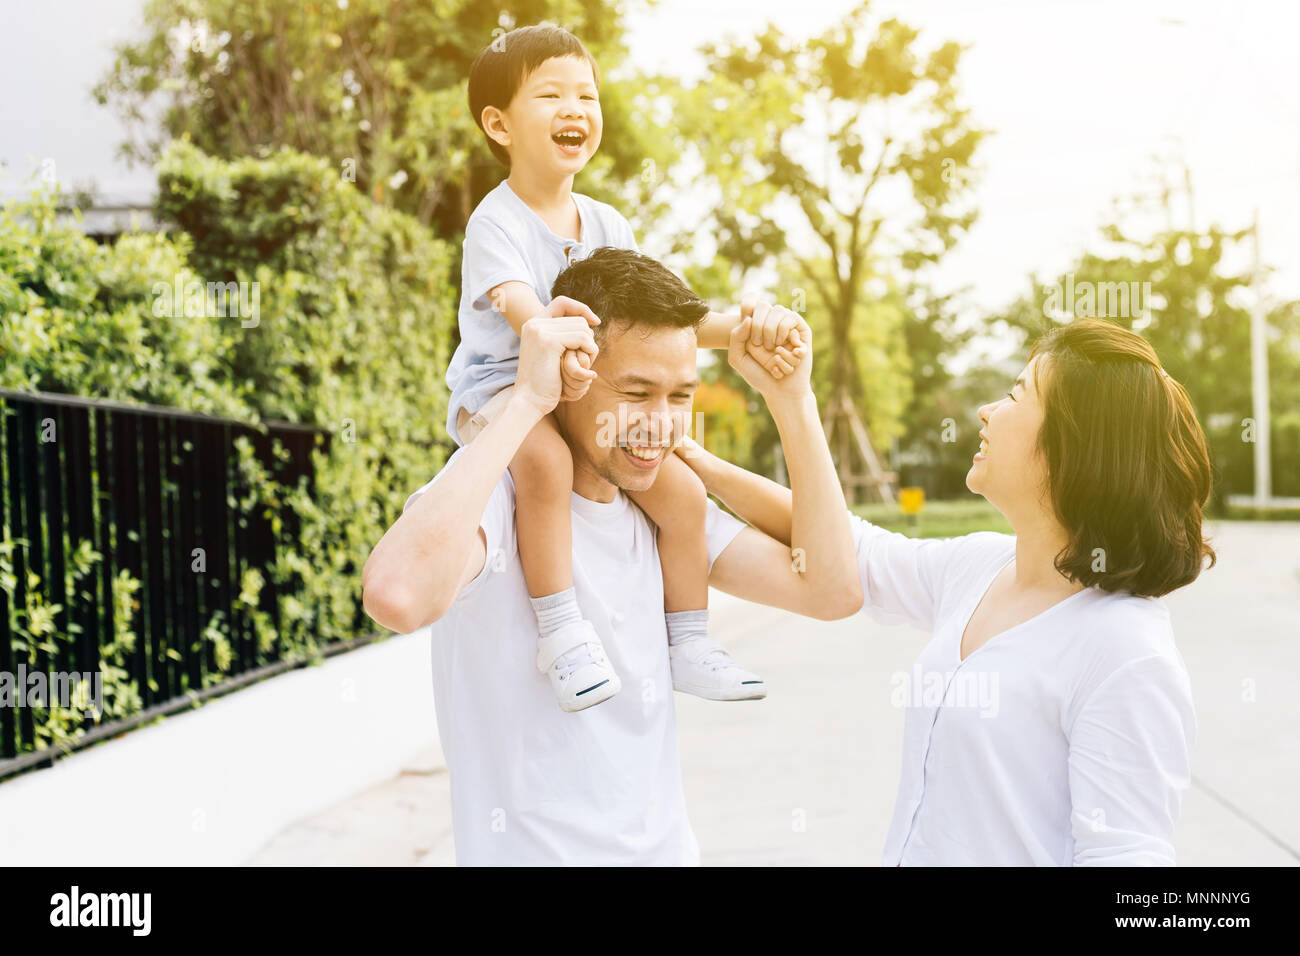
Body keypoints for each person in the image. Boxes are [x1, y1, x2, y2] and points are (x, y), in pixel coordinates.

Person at [361, 247, 861, 865]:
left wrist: (792, 402)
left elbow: (832, 588)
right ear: (569, 376)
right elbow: (396, 595)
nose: (659, 421)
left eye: (680, 396)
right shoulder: (499, 501)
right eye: (636, 392)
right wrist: (523, 403)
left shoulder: (657, 513)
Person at [679, 318, 1214, 865]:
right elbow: (842, 546)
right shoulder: (981, 565)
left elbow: (1126, 857)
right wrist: (717, 444)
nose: (987, 412)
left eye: (1014, 396)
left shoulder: (1125, 652)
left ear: (1073, 447)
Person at [445, 23, 804, 710]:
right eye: (550, 95)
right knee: (546, 466)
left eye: (587, 94)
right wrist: (555, 339)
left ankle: (689, 639)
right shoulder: (497, 221)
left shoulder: (608, 223)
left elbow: (655, 317)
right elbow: (523, 308)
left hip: (580, 397)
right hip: (502, 389)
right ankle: (562, 634)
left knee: (683, 494)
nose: (575, 108)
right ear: (498, 123)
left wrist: (738, 330)